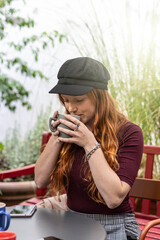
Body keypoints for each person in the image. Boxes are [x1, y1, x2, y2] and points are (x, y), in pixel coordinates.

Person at [35, 57, 143, 240]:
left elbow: (114, 199)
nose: (70, 108)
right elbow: (40, 181)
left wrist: (89, 144)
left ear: (100, 96)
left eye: (78, 100)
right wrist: (57, 137)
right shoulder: (70, 130)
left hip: (112, 226)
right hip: (71, 223)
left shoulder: (129, 133)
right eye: (65, 100)